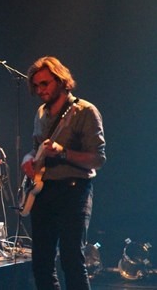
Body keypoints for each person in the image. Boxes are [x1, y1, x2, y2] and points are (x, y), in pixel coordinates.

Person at [21, 56, 106, 290]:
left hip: (74, 191)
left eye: (45, 84)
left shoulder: (85, 111)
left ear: (60, 81)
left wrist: (63, 153)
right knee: (41, 263)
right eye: (36, 85)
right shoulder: (40, 113)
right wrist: (28, 159)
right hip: (44, 192)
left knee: (71, 260)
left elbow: (98, 159)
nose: (40, 90)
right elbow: (35, 148)